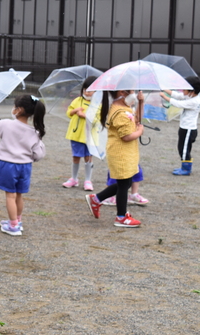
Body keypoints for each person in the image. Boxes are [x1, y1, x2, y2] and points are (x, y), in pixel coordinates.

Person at [0, 95, 46, 237]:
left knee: (10, 196)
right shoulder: (35, 131)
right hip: (25, 166)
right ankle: (17, 221)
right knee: (19, 195)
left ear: (18, 110)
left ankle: (13, 226)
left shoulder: (6, 124)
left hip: (7, 165)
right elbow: (38, 154)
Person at [85, 90, 145, 228]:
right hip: (120, 154)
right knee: (124, 184)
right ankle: (121, 217)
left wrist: (141, 103)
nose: (134, 93)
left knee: (126, 183)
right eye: (132, 91)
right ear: (122, 92)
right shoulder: (120, 112)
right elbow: (126, 136)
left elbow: (137, 120)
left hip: (127, 152)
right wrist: (140, 132)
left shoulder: (124, 108)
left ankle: (96, 199)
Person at [160, 76, 200, 176]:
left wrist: (165, 97)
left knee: (183, 149)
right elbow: (178, 96)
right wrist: (165, 89)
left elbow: (178, 103)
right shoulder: (190, 96)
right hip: (184, 127)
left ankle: (186, 169)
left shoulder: (194, 101)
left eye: (184, 89)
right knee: (182, 147)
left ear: (192, 90)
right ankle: (184, 166)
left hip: (189, 129)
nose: (182, 90)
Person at [62, 76, 97, 191]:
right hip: (76, 135)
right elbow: (69, 113)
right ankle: (74, 178)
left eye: (90, 90)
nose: (87, 92)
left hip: (89, 136)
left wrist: (85, 116)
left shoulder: (98, 104)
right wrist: (75, 111)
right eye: (85, 89)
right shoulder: (77, 101)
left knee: (88, 157)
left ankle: (88, 180)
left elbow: (98, 118)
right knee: (76, 156)